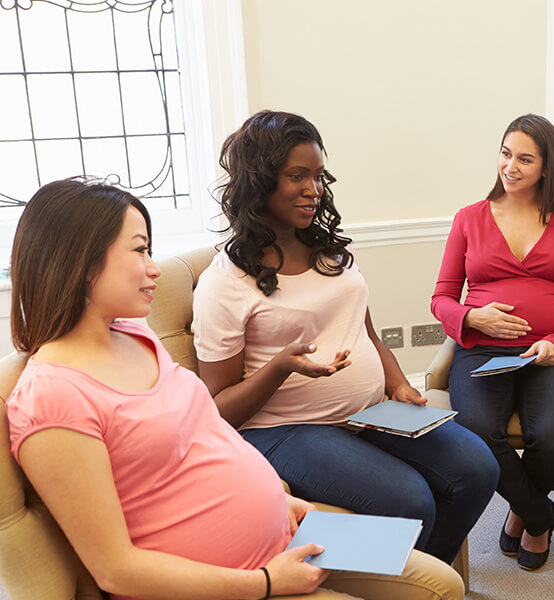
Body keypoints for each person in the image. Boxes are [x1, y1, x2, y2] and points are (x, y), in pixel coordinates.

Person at [6, 178, 464, 600]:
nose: (154, 270)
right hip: (233, 582)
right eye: (140, 251)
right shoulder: (53, 396)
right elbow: (115, 570)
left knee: (443, 583)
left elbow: (207, 429)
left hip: (284, 540)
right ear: (82, 263)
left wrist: (278, 498)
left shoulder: (132, 336)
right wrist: (265, 583)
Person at [191, 110, 498, 565]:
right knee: (409, 499)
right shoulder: (226, 283)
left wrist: (397, 382)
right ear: (259, 181)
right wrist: (280, 367)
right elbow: (216, 411)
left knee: (478, 467)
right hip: (283, 430)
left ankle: (427, 585)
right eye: (297, 176)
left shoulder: (333, 252)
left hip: (369, 411)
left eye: (318, 176)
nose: (313, 190)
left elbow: (366, 330)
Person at [430, 113, 554, 571]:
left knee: (550, 437)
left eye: (525, 159)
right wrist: (474, 316)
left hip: (553, 352)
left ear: (546, 167)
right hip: (483, 350)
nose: (510, 166)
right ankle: (539, 513)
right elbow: (441, 299)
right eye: (506, 154)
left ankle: (523, 508)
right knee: (475, 434)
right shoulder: (469, 218)